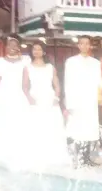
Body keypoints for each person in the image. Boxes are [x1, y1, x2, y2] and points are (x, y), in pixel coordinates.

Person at [22, 41, 70, 169]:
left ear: (43, 52)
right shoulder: (27, 68)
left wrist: (56, 97)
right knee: (36, 126)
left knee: (52, 126)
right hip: (35, 98)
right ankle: (37, 156)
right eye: (34, 49)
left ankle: (54, 156)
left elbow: (57, 84)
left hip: (49, 98)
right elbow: (25, 86)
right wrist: (29, 98)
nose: (36, 51)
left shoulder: (50, 67)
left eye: (39, 49)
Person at [0, 34, 31, 168]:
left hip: (19, 96)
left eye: (15, 45)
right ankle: (1, 155)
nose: (12, 47)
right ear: (5, 47)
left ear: (19, 47)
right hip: (3, 96)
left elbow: (27, 82)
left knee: (19, 125)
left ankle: (18, 155)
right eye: (10, 45)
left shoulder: (25, 60)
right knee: (2, 124)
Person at [64, 35, 102, 168]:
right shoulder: (71, 62)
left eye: (87, 44)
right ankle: (76, 158)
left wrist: (100, 99)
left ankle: (85, 158)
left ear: (90, 45)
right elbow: (68, 83)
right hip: (77, 100)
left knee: (89, 130)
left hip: (90, 100)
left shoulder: (96, 63)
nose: (85, 46)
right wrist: (69, 104)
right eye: (82, 43)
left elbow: (99, 83)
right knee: (76, 129)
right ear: (78, 45)